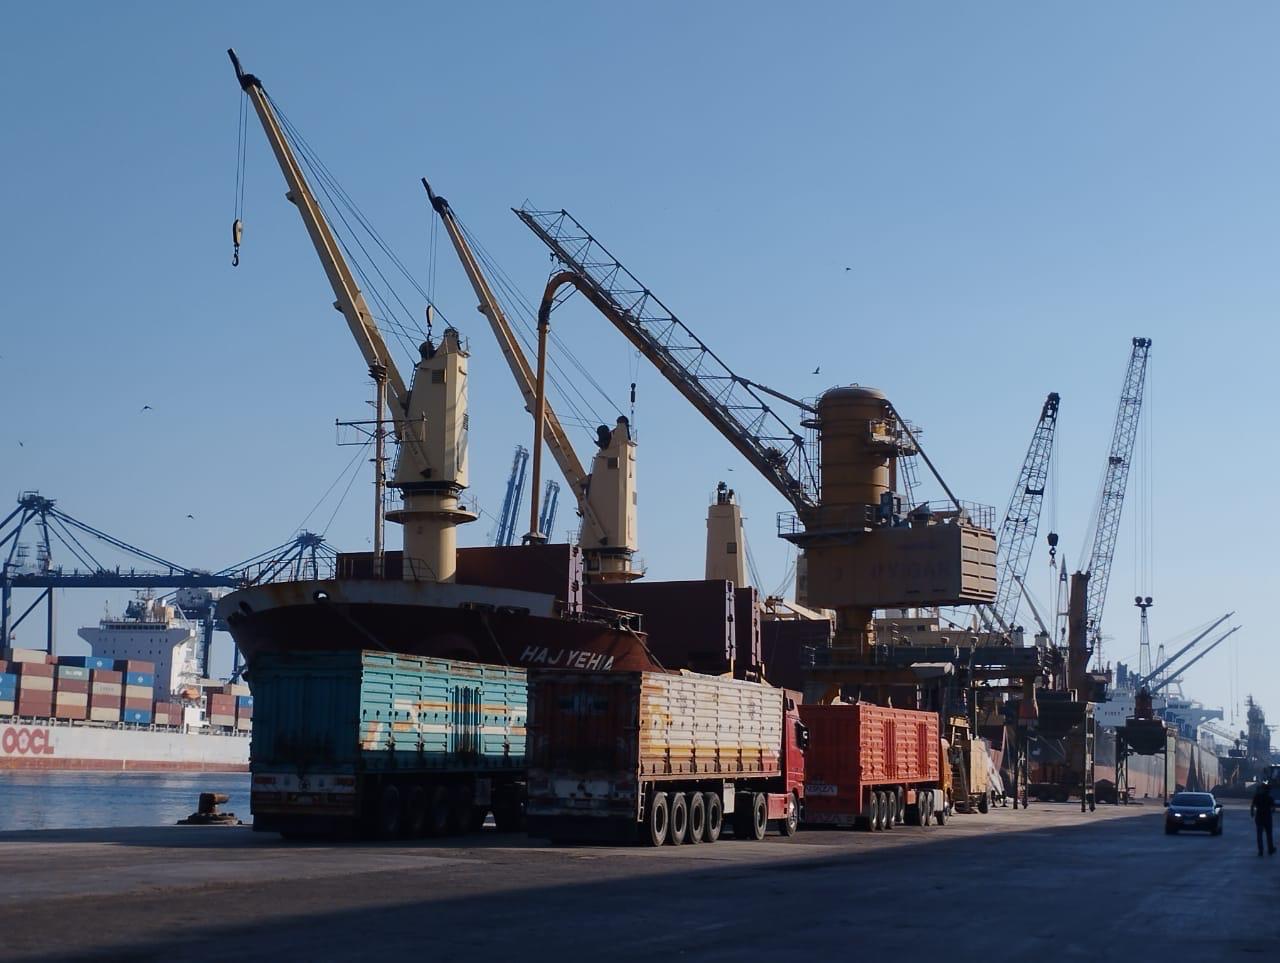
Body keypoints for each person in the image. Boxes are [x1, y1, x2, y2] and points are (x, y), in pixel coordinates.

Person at [1250, 781, 1276, 856]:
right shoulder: (1269, 797)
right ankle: (1270, 849)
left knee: (1259, 835)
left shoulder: (1257, 796)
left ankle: (1261, 850)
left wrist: (1252, 813)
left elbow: (1252, 805)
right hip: (1267, 817)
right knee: (1269, 834)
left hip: (1259, 817)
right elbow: (1273, 808)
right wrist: (1272, 811)